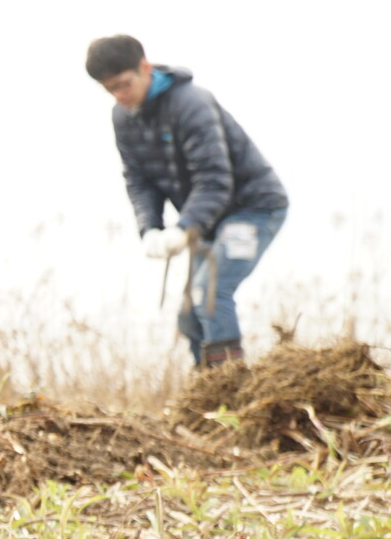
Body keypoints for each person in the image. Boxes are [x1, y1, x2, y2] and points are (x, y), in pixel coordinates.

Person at [85, 35, 288, 370]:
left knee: (210, 293)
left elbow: (215, 179)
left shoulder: (191, 104)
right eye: (110, 90)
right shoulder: (122, 118)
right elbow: (139, 180)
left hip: (253, 208)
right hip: (209, 220)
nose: (119, 95)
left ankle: (230, 386)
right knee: (190, 314)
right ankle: (205, 389)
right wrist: (149, 228)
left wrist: (184, 227)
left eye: (124, 84)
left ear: (144, 67)